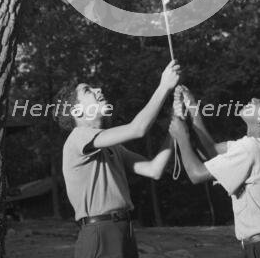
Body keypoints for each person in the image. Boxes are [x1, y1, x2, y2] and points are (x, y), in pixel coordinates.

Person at [59, 59, 181, 258]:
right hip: (99, 233)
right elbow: (137, 129)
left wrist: (175, 126)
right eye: (88, 90)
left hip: (124, 231)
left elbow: (154, 169)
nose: (98, 89)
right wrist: (164, 86)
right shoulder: (78, 136)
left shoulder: (111, 145)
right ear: (77, 111)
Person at [169, 87, 260, 258]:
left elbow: (196, 174)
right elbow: (211, 151)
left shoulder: (251, 149)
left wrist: (181, 136)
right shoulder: (259, 147)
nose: (253, 98)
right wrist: (192, 106)